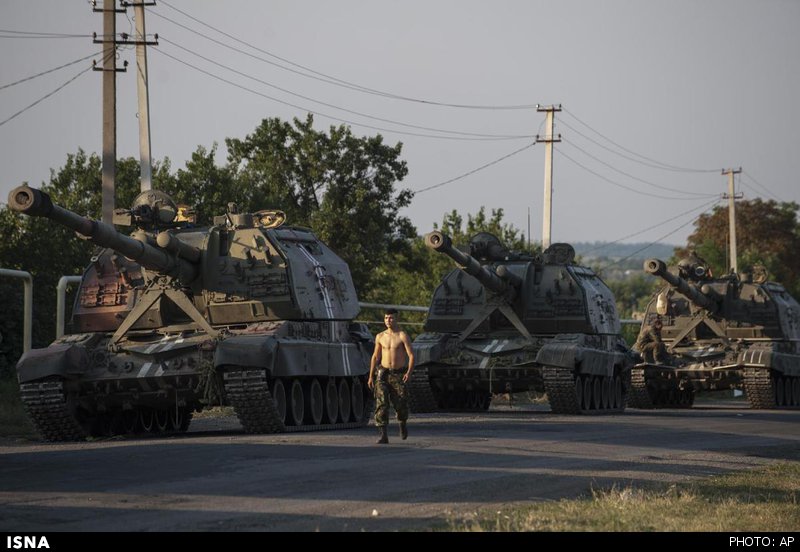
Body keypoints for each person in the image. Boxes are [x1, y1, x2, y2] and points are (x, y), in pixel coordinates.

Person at [368, 308, 415, 444]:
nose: (388, 320)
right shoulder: (380, 336)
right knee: (381, 404)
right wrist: (371, 376)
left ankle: (402, 423)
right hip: (383, 373)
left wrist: (409, 373)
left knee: (401, 404)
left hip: (398, 374)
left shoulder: (402, 335)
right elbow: (375, 356)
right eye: (386, 318)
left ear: (396, 319)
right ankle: (383, 435)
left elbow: (411, 355)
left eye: (391, 318)